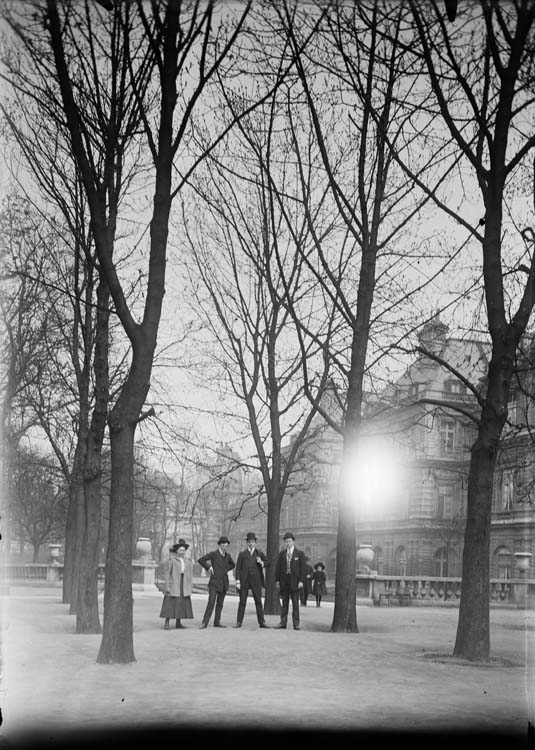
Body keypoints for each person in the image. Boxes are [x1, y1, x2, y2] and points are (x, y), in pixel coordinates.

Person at [233, 532, 270, 629]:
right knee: (242, 602)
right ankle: (238, 622)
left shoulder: (259, 553)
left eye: (253, 542)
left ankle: (262, 622)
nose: (251, 543)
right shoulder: (242, 554)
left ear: (255, 543)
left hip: (256, 581)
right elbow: (238, 569)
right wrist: (238, 581)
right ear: (247, 543)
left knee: (258, 601)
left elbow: (268, 562)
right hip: (244, 581)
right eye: (249, 542)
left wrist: (261, 562)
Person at [197, 535, 235, 628]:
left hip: (224, 583)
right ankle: (204, 623)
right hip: (214, 583)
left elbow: (233, 565)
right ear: (219, 545)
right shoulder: (214, 554)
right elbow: (201, 560)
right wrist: (209, 567)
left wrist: (226, 569)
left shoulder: (228, 556)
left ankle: (217, 622)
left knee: (220, 604)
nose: (224, 547)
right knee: (211, 602)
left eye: (226, 545)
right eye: (223, 545)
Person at [274, 531, 307, 630]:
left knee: (295, 604)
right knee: (285, 604)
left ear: (293, 542)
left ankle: (296, 624)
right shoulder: (282, 554)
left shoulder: (299, 554)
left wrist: (301, 581)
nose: (288, 543)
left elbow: (303, 569)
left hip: (295, 582)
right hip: (284, 582)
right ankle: (283, 623)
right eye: (286, 542)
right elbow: (278, 568)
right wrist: (277, 580)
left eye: (289, 541)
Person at [159, 540, 194, 630]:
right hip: (174, 583)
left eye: (183, 550)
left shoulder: (188, 561)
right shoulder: (172, 560)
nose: (182, 552)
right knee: (170, 603)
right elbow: (166, 574)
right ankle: (167, 623)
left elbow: (190, 575)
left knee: (181, 603)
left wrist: (190, 586)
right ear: (176, 551)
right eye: (180, 550)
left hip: (184, 584)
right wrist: (167, 586)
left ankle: (178, 622)